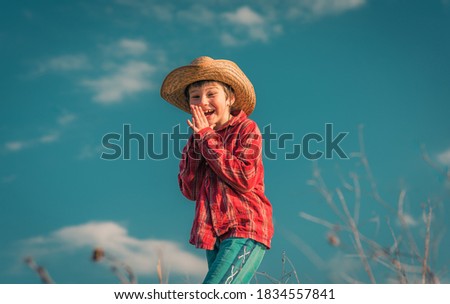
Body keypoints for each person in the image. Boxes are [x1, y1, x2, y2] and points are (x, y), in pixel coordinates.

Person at [160, 56, 274, 284]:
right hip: (214, 233)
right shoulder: (196, 139)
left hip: (244, 227)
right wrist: (198, 140)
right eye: (195, 97)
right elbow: (190, 190)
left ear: (230, 98)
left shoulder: (246, 128)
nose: (203, 102)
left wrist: (206, 137)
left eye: (212, 94)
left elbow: (244, 178)